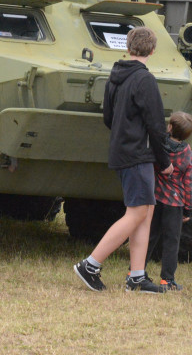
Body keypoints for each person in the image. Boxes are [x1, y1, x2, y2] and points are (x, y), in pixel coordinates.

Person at [74, 26, 172, 293]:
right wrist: (165, 162)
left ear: (127, 48)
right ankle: (90, 265)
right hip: (138, 154)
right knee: (138, 212)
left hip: (123, 151)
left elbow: (108, 117)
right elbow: (156, 126)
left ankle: (137, 277)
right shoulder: (145, 80)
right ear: (152, 50)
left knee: (146, 211)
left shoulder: (114, 77)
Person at [146, 111, 192, 291]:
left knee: (149, 236)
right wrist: (188, 208)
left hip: (155, 198)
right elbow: (189, 183)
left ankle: (138, 270)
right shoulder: (187, 153)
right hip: (175, 204)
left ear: (169, 127)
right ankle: (167, 279)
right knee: (171, 241)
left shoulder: (159, 147)